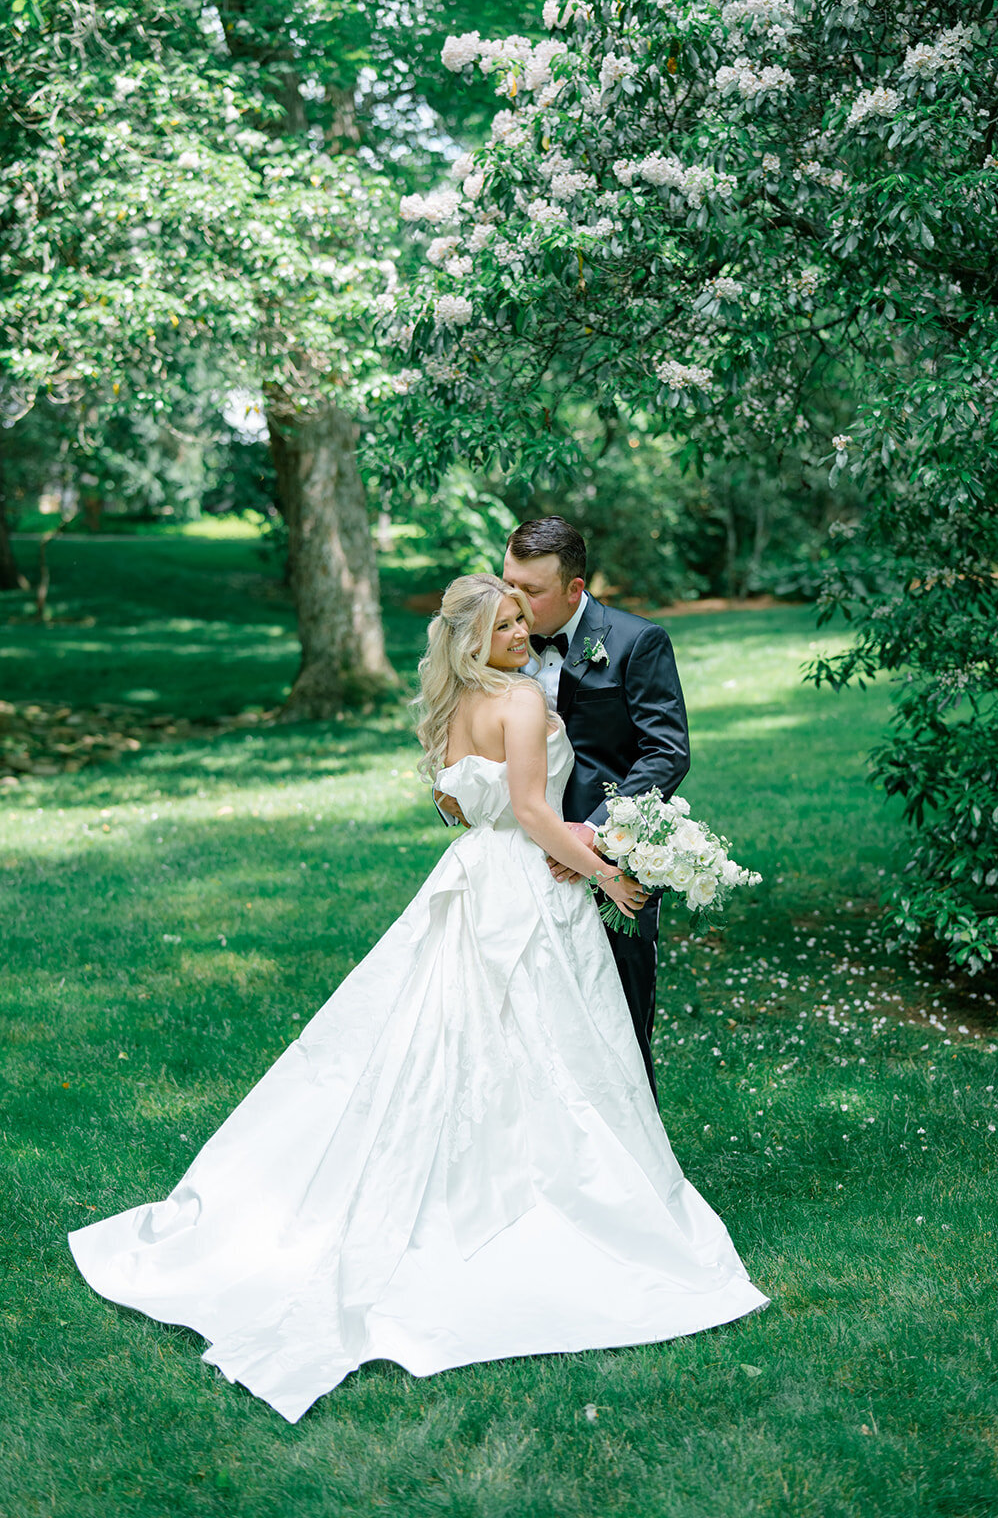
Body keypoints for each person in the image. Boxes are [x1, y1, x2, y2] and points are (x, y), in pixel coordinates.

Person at [68, 574, 766, 1425]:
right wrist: (609, 875)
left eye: (521, 617)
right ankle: (538, 1191)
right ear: (475, 638)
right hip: (527, 886)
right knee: (542, 1036)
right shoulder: (511, 700)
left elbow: (454, 806)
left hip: (475, 874)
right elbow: (532, 815)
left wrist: (559, 836)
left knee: (466, 1033)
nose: (521, 631)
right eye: (506, 623)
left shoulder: (455, 707)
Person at [438, 518, 689, 1098]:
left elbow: (665, 753)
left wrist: (596, 834)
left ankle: (638, 1171)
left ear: (575, 590)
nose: (513, 601)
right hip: (516, 874)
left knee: (617, 1023)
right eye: (508, 582)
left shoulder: (636, 641)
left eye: (532, 591)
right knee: (516, 1027)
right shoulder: (498, 639)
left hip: (608, 861)